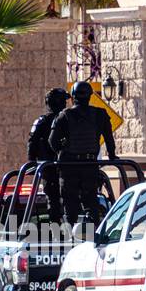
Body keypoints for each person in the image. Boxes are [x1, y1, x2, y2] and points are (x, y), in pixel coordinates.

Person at [48, 80, 116, 226]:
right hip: (90, 165)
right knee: (91, 202)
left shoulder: (64, 116)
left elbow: (53, 142)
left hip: (69, 166)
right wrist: (112, 156)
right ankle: (93, 234)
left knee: (70, 203)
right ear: (90, 96)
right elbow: (109, 139)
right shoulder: (100, 114)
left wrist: (63, 148)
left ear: (73, 96)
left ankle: (72, 236)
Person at [27, 88, 68, 221]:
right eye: (64, 101)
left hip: (55, 167)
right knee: (61, 199)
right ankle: (60, 230)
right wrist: (32, 164)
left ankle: (59, 229)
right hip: (56, 167)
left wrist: (32, 162)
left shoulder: (46, 121)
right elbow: (32, 142)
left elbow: (31, 143)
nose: (66, 104)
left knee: (55, 199)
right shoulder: (67, 120)